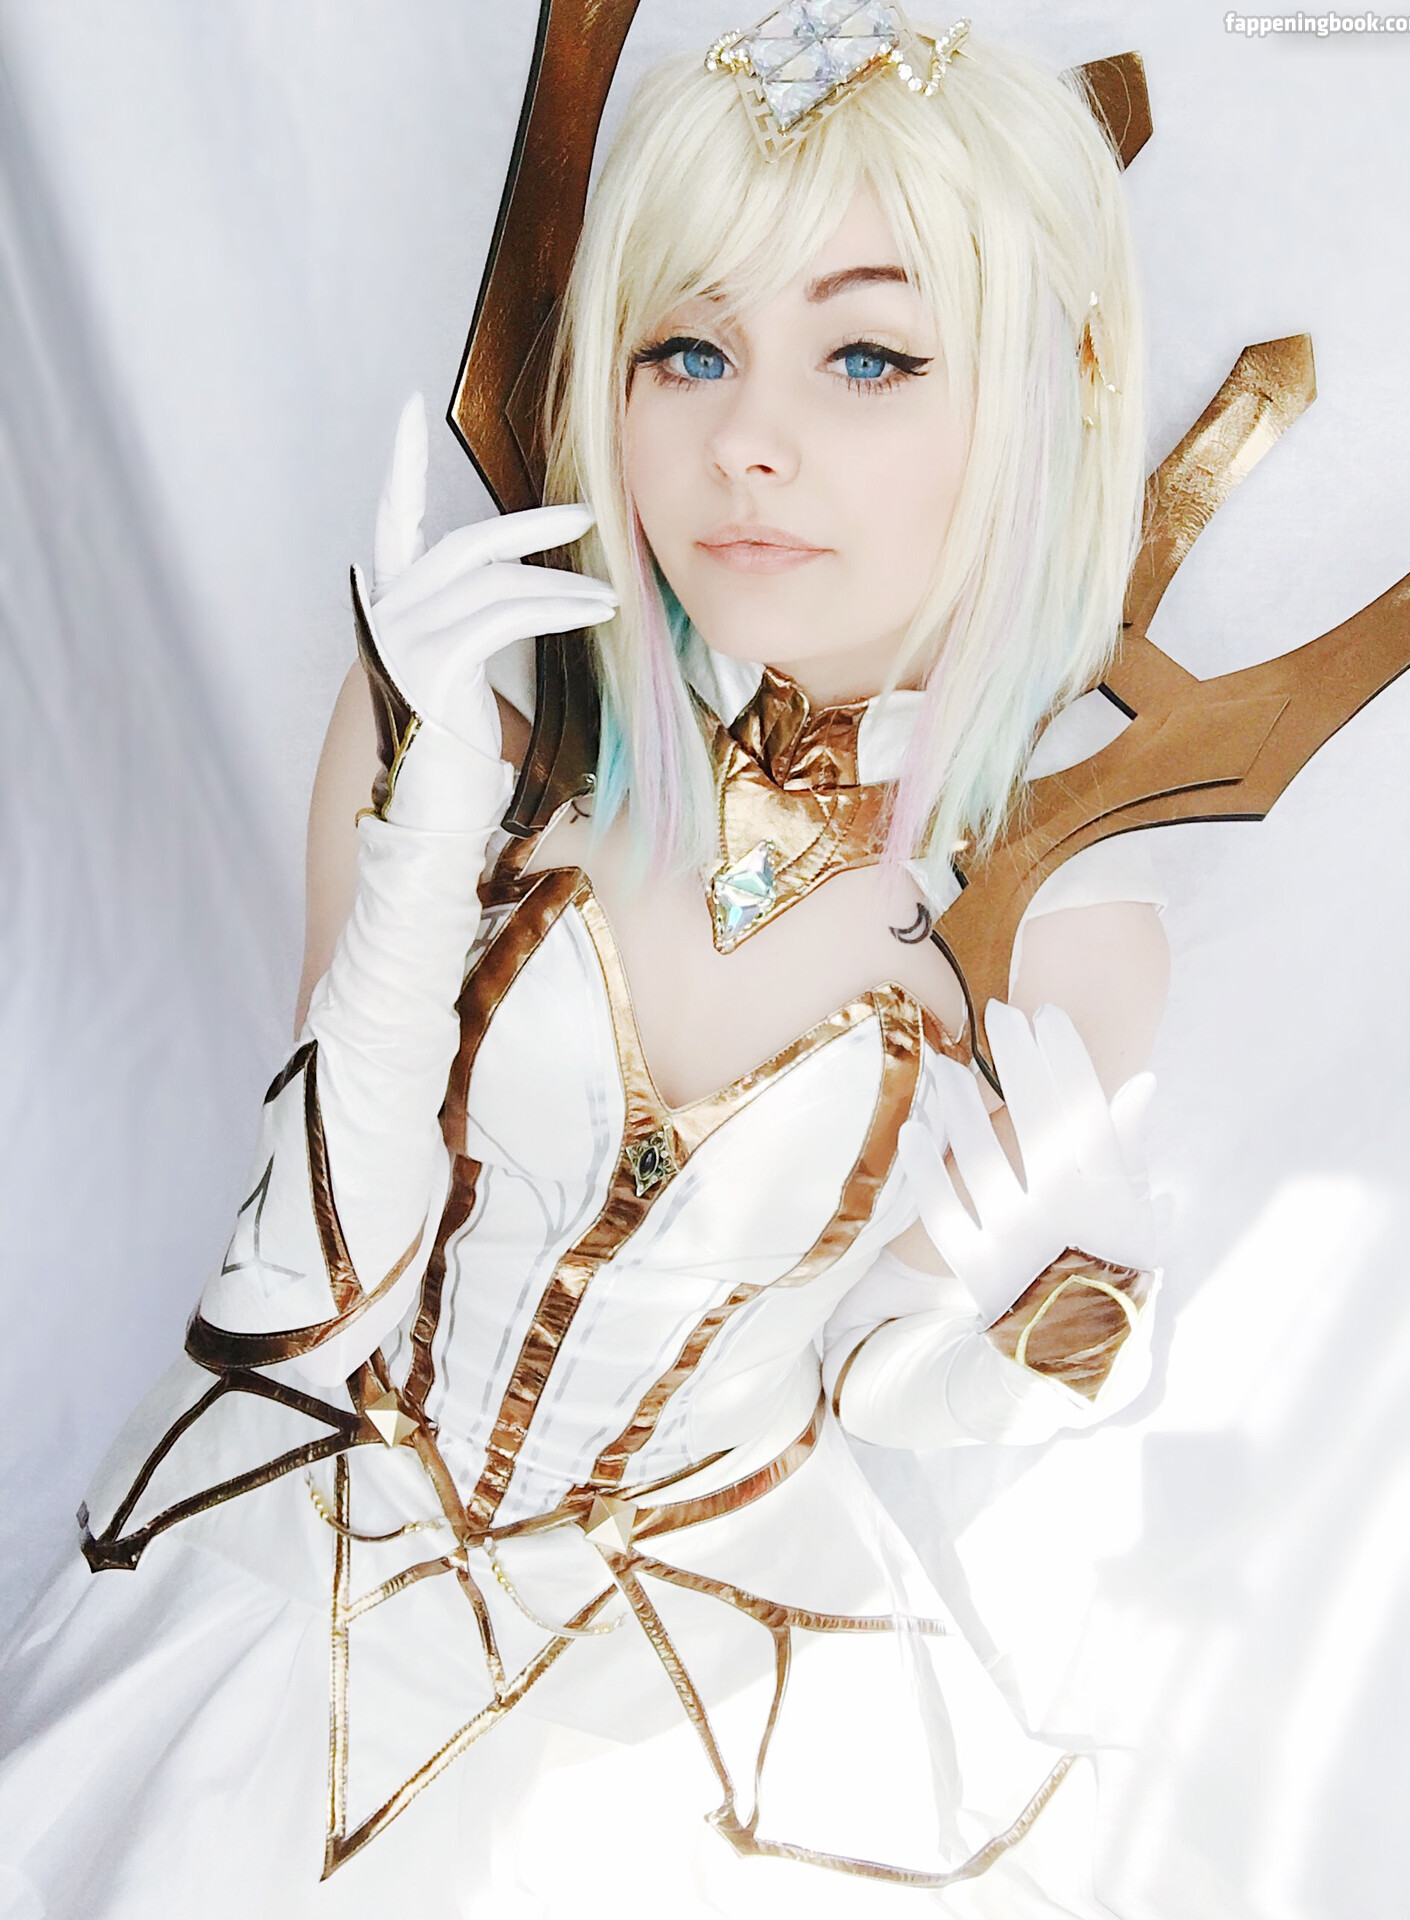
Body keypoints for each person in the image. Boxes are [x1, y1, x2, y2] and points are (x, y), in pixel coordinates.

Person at [0, 16, 1173, 1917]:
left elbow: (875, 1375)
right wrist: (419, 843)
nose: (748, 439)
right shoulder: (471, 720)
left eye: (869, 355)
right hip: (288, 1573)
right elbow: (305, 1299)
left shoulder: (1060, 921)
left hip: (714, 1686)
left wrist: (1048, 1347)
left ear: (1044, 401)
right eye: (684, 347)